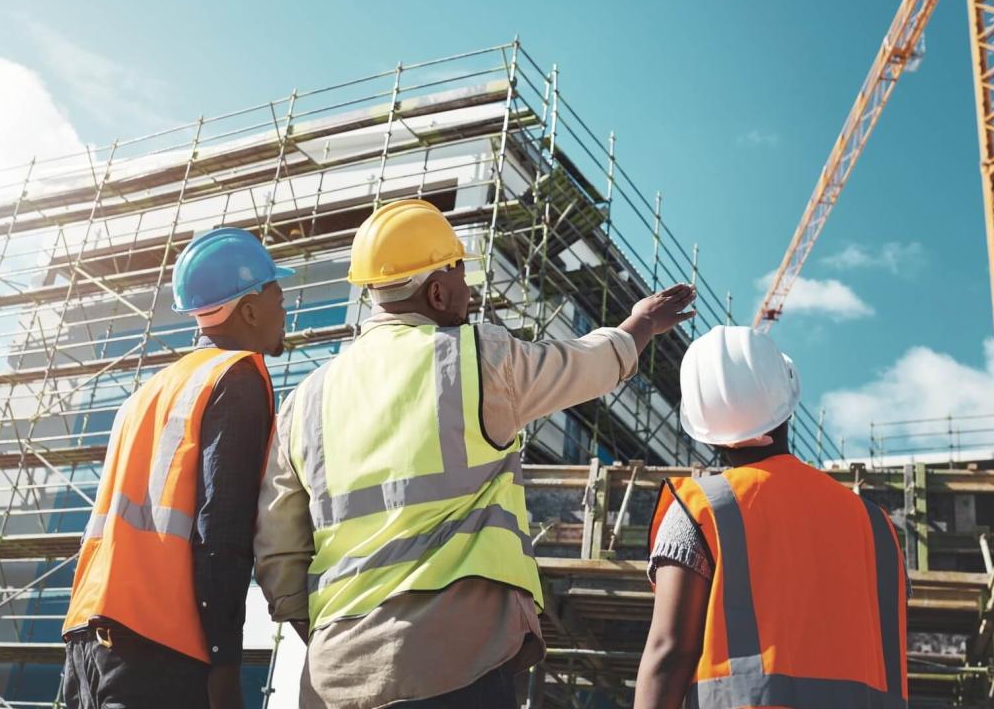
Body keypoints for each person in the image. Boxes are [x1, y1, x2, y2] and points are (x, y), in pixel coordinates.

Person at [254, 198, 696, 708]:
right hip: (456, 661)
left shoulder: (305, 399)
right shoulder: (476, 356)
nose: (470, 291)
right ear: (436, 290)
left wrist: (326, 633)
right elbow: (584, 365)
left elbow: (279, 551)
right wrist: (640, 324)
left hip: (337, 675)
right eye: (462, 275)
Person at [62, 227, 293, 709]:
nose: (285, 307)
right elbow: (221, 531)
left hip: (89, 638)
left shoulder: (150, 391)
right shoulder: (238, 376)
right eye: (277, 293)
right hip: (159, 651)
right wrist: (224, 666)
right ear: (249, 310)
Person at [635, 325, 908, 709]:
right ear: (788, 405)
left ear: (706, 432)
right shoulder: (877, 526)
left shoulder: (701, 507)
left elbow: (670, 652)